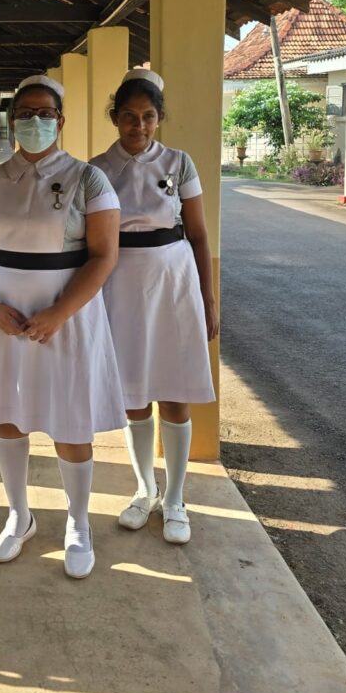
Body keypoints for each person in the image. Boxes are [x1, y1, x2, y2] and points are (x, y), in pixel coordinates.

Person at [0, 74, 126, 579]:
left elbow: (103, 256)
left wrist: (59, 312)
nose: (34, 122)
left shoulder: (88, 179)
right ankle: (19, 515)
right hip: (5, 316)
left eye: (44, 114)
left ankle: (79, 522)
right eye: (25, 114)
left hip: (67, 316)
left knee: (70, 420)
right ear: (10, 122)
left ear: (62, 120)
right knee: (9, 416)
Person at [91, 68, 218, 545]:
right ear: (115, 118)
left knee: (175, 388)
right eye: (128, 117)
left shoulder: (179, 163)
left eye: (147, 117)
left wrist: (208, 298)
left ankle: (177, 498)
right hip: (119, 282)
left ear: (159, 119)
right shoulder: (98, 168)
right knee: (133, 394)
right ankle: (145, 489)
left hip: (174, 281)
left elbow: (200, 233)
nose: (138, 126)